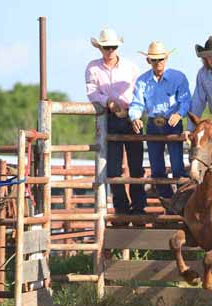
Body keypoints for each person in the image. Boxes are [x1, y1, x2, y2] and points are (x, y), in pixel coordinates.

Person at [85, 28, 146, 224]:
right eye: (106, 47)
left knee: (136, 167)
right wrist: (108, 102)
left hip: (130, 116)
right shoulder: (93, 68)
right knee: (112, 168)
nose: (110, 50)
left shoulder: (130, 67)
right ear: (100, 48)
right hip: (109, 118)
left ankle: (137, 209)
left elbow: (139, 93)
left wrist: (134, 112)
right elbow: (92, 93)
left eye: (112, 47)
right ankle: (122, 208)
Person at [129, 41, 191, 201]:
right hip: (153, 123)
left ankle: (181, 201)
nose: (158, 63)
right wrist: (135, 117)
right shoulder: (142, 81)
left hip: (172, 123)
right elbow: (137, 103)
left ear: (166, 58)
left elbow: (186, 101)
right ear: (148, 61)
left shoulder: (178, 77)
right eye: (154, 60)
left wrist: (179, 114)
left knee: (177, 166)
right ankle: (169, 201)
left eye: (161, 59)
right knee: (156, 169)